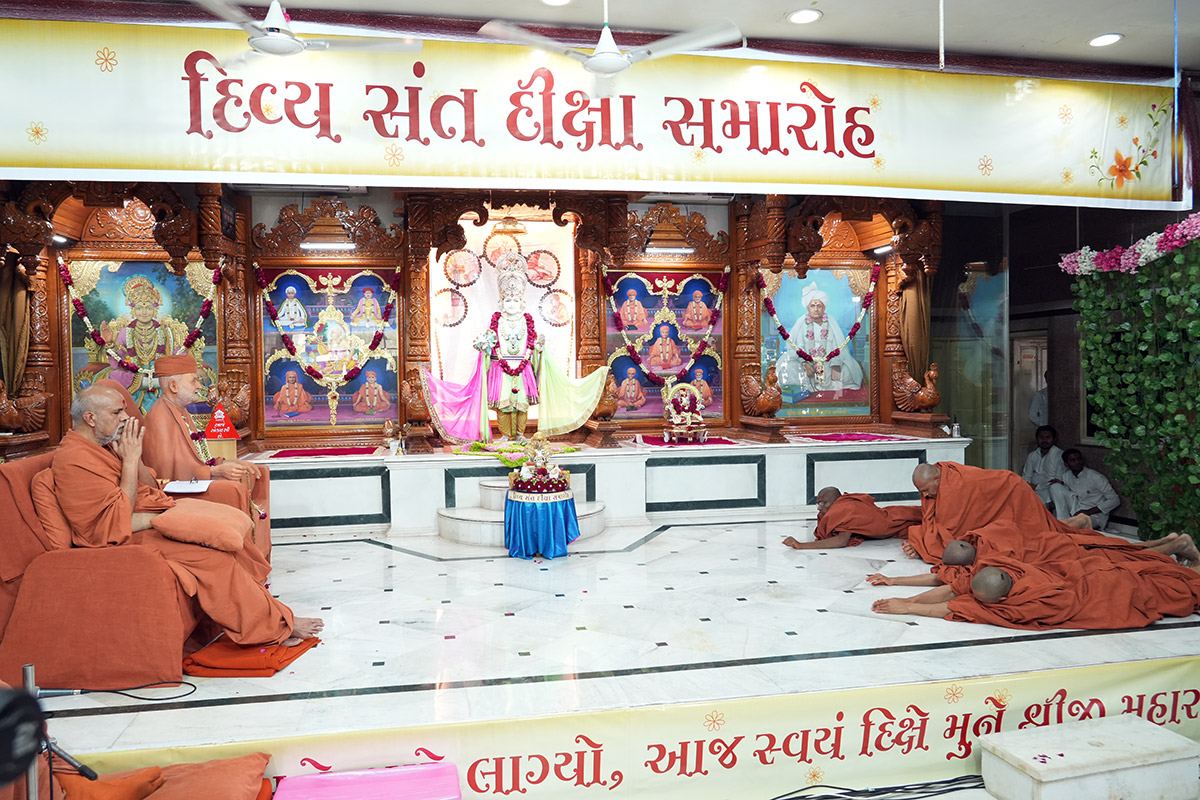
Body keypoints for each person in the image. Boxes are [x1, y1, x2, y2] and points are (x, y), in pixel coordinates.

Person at [53, 385, 322, 646]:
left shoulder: (107, 445)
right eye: (116, 413)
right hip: (117, 539)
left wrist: (132, 456)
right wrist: (131, 462)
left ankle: (273, 615)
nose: (125, 418)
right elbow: (112, 522)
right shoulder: (74, 458)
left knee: (230, 544)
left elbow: (150, 486)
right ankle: (274, 627)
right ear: (90, 418)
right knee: (212, 557)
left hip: (143, 519)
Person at [422, 251, 607, 443]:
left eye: (515, 300)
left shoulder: (527, 323)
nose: (512, 304)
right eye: (508, 301)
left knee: (521, 404)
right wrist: (484, 347)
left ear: (522, 302)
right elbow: (490, 346)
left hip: (523, 369)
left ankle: (519, 434)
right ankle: (505, 435)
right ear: (501, 302)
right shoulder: (496, 323)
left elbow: (532, 347)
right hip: (501, 370)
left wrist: (538, 348)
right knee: (504, 405)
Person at [144, 354, 272, 562]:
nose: (199, 386)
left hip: (194, 482)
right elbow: (168, 475)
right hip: (176, 495)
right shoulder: (160, 417)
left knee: (251, 472)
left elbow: (198, 457)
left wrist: (226, 463)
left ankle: (254, 555)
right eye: (194, 380)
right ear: (174, 386)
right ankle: (242, 559)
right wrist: (215, 471)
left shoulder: (181, 412)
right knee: (232, 487)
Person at [873, 554, 1200, 631]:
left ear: (1001, 601)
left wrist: (909, 609)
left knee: (1175, 593)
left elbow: (953, 607)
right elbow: (954, 589)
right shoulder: (1003, 572)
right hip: (1098, 575)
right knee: (1164, 579)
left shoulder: (1026, 604)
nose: (971, 600)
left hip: (1109, 590)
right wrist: (906, 596)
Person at [905, 461, 1092, 563]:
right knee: (1038, 530)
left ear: (937, 478)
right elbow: (936, 523)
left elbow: (951, 532)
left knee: (1038, 535)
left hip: (1013, 491)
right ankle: (1079, 520)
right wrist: (921, 540)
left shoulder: (954, 487)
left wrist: (921, 545)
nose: (924, 495)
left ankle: (1081, 521)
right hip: (998, 495)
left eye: (925, 490)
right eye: (921, 491)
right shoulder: (939, 481)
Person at [774, 282, 863, 393]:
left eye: (819, 306)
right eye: (813, 306)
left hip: (828, 362)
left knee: (849, 371)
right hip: (806, 363)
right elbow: (796, 347)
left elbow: (839, 346)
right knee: (788, 369)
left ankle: (823, 380)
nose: (816, 309)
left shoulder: (831, 323)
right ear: (808, 308)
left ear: (824, 307)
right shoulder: (801, 323)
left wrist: (836, 365)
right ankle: (808, 382)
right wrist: (804, 363)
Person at [782, 487, 922, 550]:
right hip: (890, 514)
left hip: (895, 520)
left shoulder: (845, 509)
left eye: (823, 503)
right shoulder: (837, 509)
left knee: (924, 518)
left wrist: (802, 545)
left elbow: (841, 541)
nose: (819, 508)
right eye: (818, 503)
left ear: (836, 501)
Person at [1048, 449, 1120, 531]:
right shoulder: (1066, 476)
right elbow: (1067, 493)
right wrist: (1061, 484)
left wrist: (1088, 511)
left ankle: (1063, 526)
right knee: (1055, 486)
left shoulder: (1096, 477)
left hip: (1094, 516)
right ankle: (1062, 521)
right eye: (1073, 460)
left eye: (1079, 459)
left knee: (1081, 520)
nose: (1077, 462)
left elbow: (1115, 500)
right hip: (1076, 510)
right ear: (1066, 464)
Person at [1020, 425, 1066, 505]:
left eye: (1048, 437)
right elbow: (1026, 475)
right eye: (1041, 437)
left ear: (1054, 439)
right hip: (1031, 489)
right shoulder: (1032, 455)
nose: (1044, 440)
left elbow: (1057, 481)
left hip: (1048, 490)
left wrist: (1037, 486)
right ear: (1037, 438)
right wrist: (1028, 486)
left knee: (1035, 502)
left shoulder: (1060, 455)